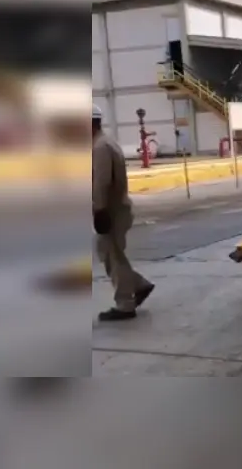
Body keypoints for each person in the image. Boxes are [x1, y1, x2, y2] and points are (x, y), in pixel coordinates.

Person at [92, 104, 155, 321]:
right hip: (117, 208)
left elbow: (101, 183)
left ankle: (126, 304)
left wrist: (99, 210)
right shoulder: (107, 142)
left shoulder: (99, 147)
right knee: (111, 255)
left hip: (111, 211)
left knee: (113, 258)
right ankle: (140, 285)